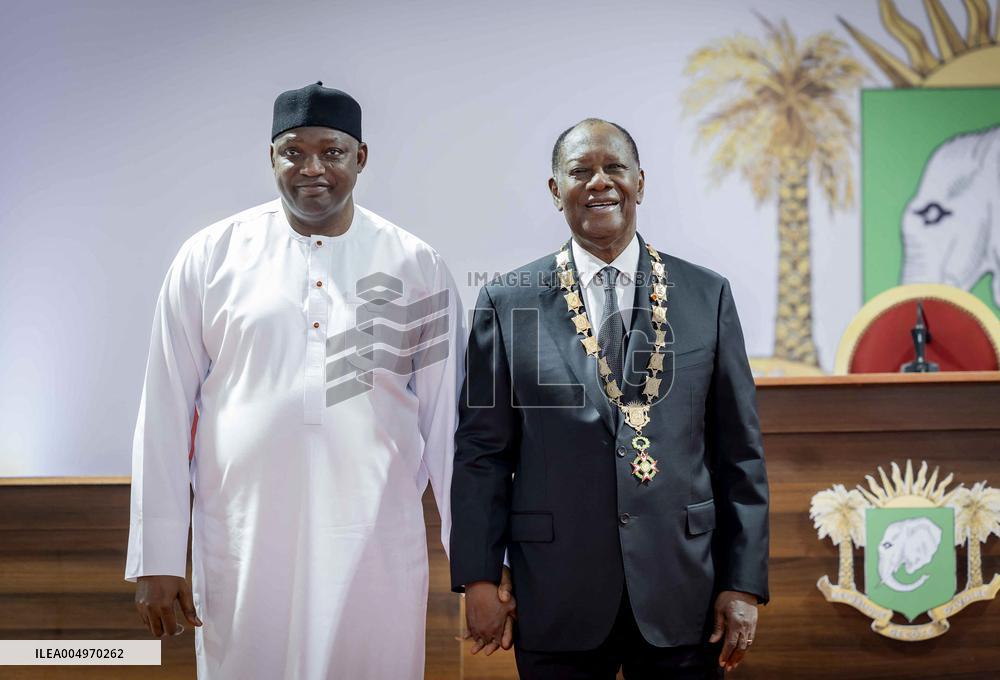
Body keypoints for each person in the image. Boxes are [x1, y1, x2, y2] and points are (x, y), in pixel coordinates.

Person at [126, 82, 465, 679]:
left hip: (374, 535)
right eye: (294, 152)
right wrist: (157, 556)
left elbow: (448, 424)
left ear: (361, 158)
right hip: (245, 533)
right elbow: (165, 409)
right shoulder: (210, 256)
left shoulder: (416, 264)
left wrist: (476, 562)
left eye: (332, 152)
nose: (313, 168)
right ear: (271, 158)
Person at [450, 118, 769, 679]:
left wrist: (742, 581)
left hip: (682, 590)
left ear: (639, 182)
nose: (599, 182)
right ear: (556, 191)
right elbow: (482, 451)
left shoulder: (707, 294)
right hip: (556, 590)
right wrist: (477, 576)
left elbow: (738, 453)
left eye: (614, 168)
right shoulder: (505, 301)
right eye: (580, 171)